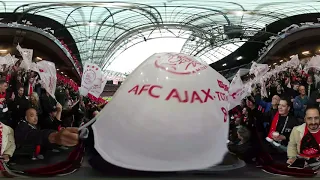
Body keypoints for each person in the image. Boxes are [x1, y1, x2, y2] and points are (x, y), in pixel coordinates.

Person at [14, 108, 79, 159]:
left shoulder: (37, 125)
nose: (35, 118)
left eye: (36, 115)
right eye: (32, 115)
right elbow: (32, 136)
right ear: (26, 118)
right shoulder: (22, 127)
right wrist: (53, 137)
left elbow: (51, 128)